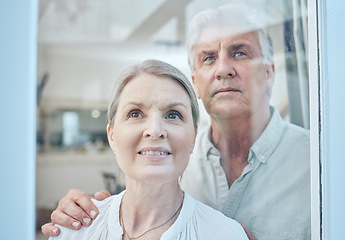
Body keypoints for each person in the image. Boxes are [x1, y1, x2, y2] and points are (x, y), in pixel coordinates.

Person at [42, 4, 310, 240]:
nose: (223, 69)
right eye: (208, 58)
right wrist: (84, 216)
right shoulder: (167, 158)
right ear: (195, 84)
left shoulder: (317, 165)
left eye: (240, 53)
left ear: (269, 72)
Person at [48, 59, 248, 240]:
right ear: (112, 136)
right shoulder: (72, 230)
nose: (155, 130)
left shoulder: (225, 235)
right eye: (135, 114)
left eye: (173, 115)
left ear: (194, 137)